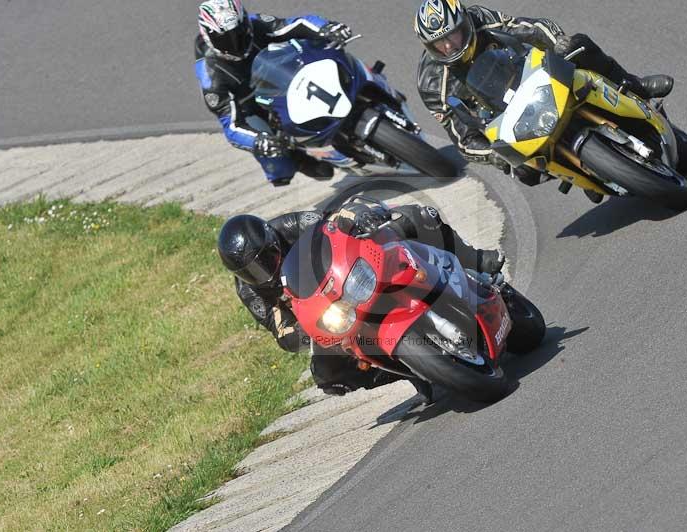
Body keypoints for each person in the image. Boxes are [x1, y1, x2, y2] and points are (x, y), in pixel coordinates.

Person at [216, 203, 505, 400]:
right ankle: (415, 370)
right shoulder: (250, 291)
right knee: (327, 374)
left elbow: (333, 219)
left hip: (352, 272)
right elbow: (279, 328)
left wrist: (358, 216)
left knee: (414, 217)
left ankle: (475, 259)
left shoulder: (289, 225)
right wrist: (303, 334)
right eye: (252, 271)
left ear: (271, 240)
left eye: (265, 259)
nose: (264, 271)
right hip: (334, 313)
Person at [414, 0, 675, 188]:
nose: (449, 45)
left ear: (464, 24)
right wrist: (493, 156)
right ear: (429, 46)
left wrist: (558, 42)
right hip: (502, 117)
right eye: (440, 42)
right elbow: (462, 138)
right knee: (526, 174)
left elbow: (529, 28)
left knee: (578, 45)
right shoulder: (432, 83)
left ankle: (633, 85)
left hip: (529, 75)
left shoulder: (480, 19)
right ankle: (581, 173)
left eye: (454, 35)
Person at [194, 0, 354, 186]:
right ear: (208, 37)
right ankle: (298, 158)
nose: (236, 43)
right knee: (280, 167)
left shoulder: (257, 23)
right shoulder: (209, 74)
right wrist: (258, 141)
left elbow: (296, 24)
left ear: (245, 22)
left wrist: (327, 28)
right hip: (253, 103)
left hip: (285, 77)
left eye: (239, 33)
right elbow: (230, 125)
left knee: (328, 49)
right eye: (225, 39)